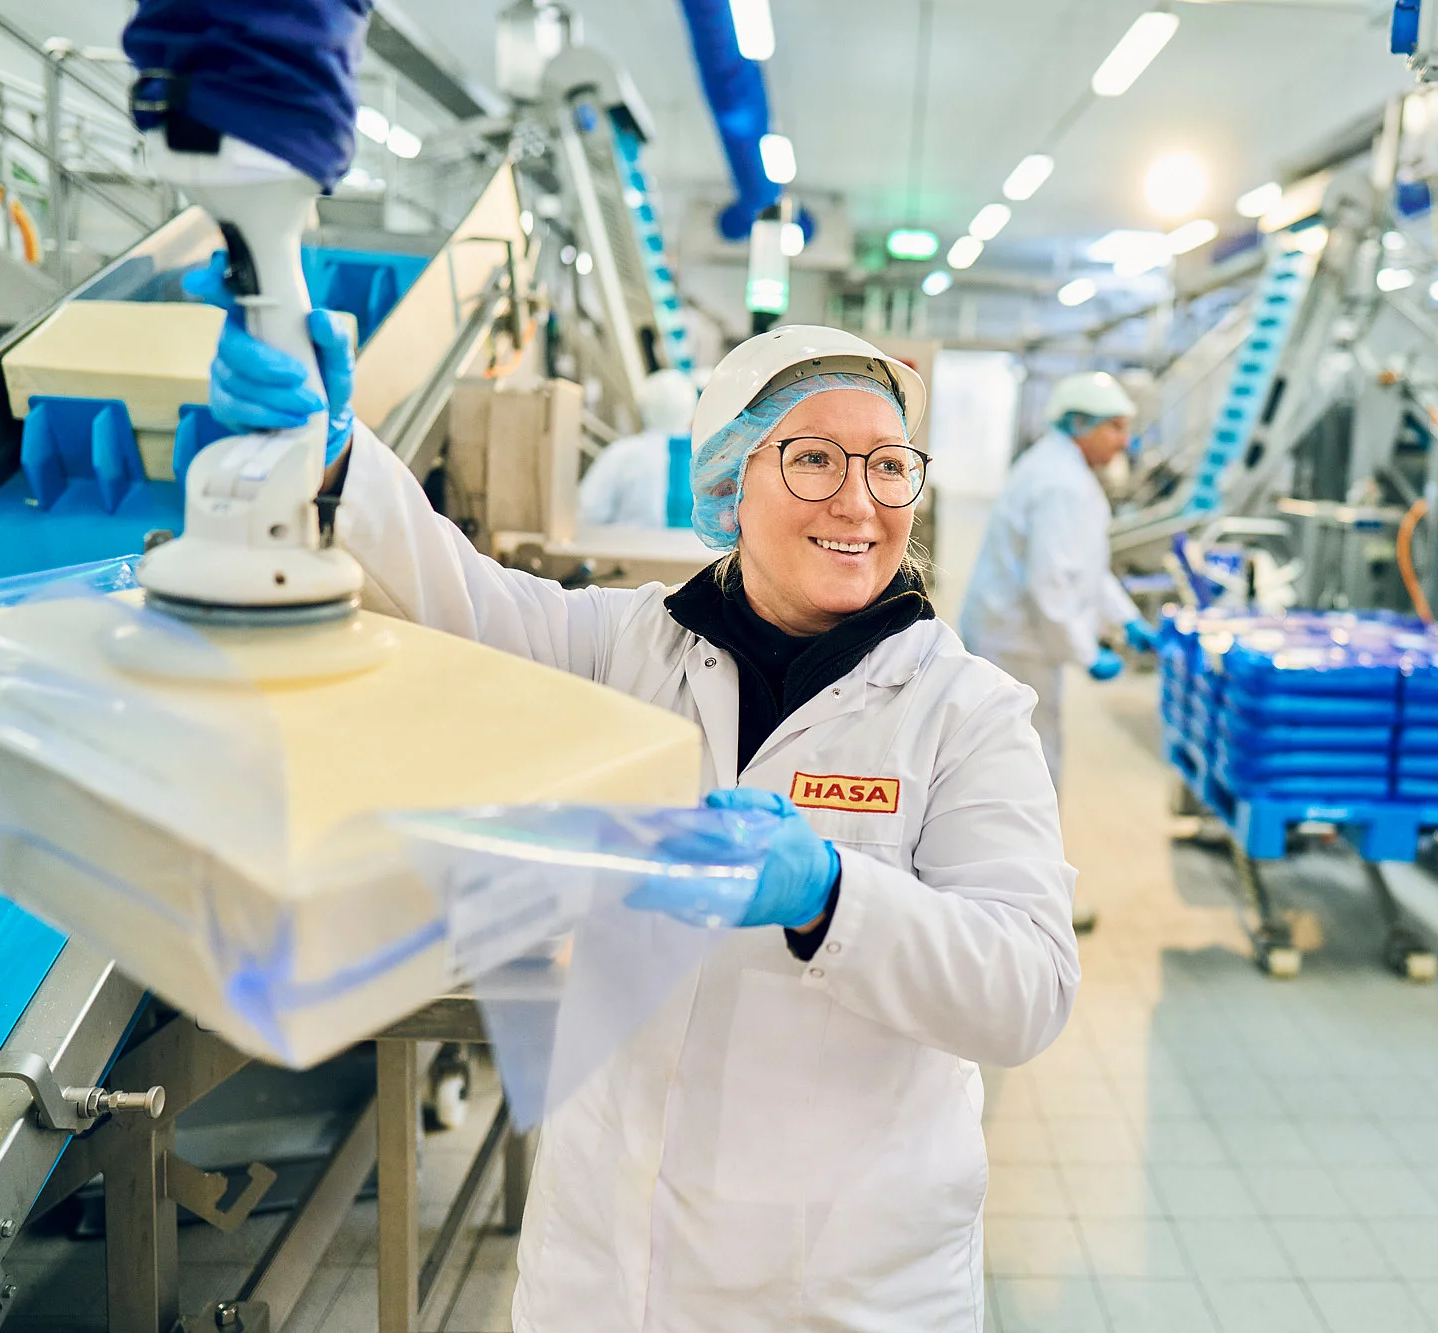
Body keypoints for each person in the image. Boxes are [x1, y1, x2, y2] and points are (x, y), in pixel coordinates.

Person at [200, 311, 1080, 1331]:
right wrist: (336, 456)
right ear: (723, 488)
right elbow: (458, 603)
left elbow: (1028, 991)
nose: (858, 500)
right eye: (812, 459)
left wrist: (831, 895)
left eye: (890, 467)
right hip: (604, 1270)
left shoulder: (964, 712)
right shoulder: (627, 648)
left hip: (836, 1282)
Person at [960, 371, 1155, 934]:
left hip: (1016, 639)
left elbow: (1083, 570)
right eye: (1115, 428)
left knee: (1020, 765)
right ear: (1079, 425)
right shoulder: (1062, 485)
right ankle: (1032, 903)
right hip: (1019, 646)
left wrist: (1128, 622)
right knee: (1031, 771)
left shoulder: (1059, 471)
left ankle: (1010, 889)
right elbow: (1052, 586)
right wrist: (1085, 651)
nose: (1124, 441)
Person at [577, 367, 700, 528]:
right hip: (694, 553)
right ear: (692, 410)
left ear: (643, 408)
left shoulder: (620, 454)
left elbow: (585, 516)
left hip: (625, 551)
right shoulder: (707, 458)